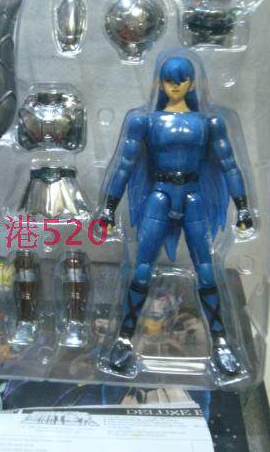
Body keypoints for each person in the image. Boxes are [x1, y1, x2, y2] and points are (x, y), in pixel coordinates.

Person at [99, 55, 253, 375]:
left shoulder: (209, 123)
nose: (175, 86)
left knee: (206, 270)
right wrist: (109, 207)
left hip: (194, 195)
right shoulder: (145, 122)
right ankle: (124, 339)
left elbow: (229, 165)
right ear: (160, 82)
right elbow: (125, 165)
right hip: (159, 194)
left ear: (191, 83)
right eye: (169, 80)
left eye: (181, 80)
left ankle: (221, 342)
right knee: (142, 269)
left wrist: (243, 206)